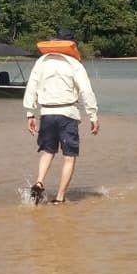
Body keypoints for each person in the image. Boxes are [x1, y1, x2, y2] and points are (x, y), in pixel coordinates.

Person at [23, 36, 99, 204]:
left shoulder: (41, 61)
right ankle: (59, 198)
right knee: (69, 157)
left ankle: (39, 181)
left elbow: (31, 87)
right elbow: (86, 91)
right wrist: (93, 116)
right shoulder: (74, 64)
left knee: (48, 151)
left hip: (47, 112)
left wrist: (30, 114)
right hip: (68, 113)